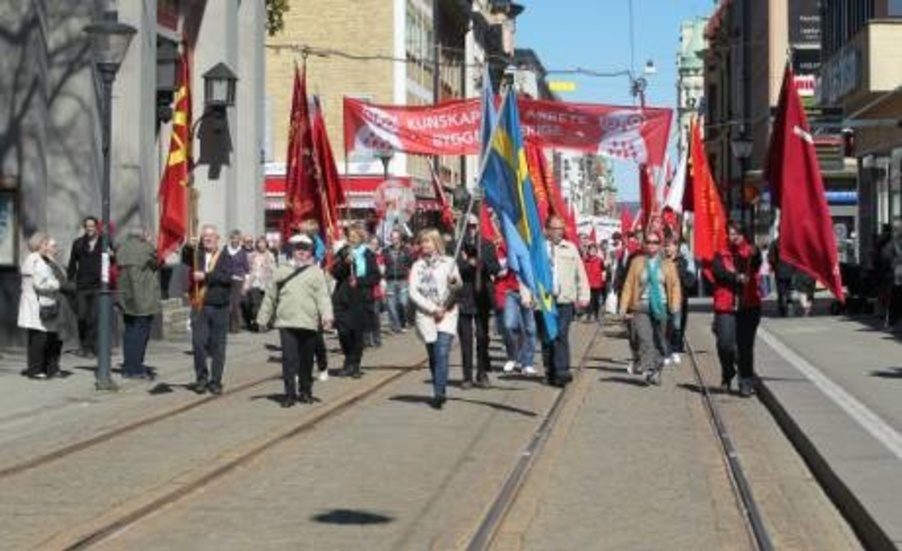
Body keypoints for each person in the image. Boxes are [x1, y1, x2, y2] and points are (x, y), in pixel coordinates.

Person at [257, 234, 334, 407]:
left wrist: (327, 316)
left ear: (309, 252)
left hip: (309, 322)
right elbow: (270, 296)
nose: (301, 252)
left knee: (306, 360)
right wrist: (263, 318)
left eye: (305, 249)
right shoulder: (281, 271)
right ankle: (289, 394)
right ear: (292, 250)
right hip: (286, 322)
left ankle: (305, 391)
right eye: (298, 249)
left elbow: (323, 297)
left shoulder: (316, 273)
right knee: (289, 360)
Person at [619, 231, 682, 385]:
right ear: (644, 244)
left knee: (660, 341)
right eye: (649, 242)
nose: (651, 245)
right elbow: (628, 285)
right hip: (641, 306)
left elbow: (675, 286)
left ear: (660, 244)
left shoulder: (668, 264)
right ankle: (648, 370)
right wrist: (623, 306)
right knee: (644, 338)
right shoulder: (637, 262)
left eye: (655, 242)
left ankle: (657, 369)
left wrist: (674, 305)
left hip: (662, 306)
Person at [409, 228, 462, 409]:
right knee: (433, 354)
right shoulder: (418, 266)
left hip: (447, 313)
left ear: (436, 242)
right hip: (426, 315)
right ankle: (438, 385)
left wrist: (454, 283)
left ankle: (439, 393)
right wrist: (432, 309)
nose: (425, 245)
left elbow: (457, 286)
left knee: (442, 352)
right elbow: (413, 292)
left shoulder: (449, 262)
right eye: (423, 241)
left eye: (428, 241)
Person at [712, 222, 763, 397]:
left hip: (749, 306)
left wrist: (751, 251)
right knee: (725, 344)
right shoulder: (720, 253)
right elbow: (718, 273)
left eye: (736, 234)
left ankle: (746, 381)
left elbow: (755, 263)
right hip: (726, 306)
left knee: (745, 346)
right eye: (730, 233)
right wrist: (736, 277)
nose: (733, 237)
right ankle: (728, 372)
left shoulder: (750, 252)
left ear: (744, 235)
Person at [539, 215, 590, 387]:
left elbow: (580, 273)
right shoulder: (539, 249)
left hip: (565, 299)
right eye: (555, 229)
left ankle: (562, 370)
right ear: (547, 230)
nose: (559, 232)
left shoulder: (570, 248)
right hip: (545, 301)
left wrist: (584, 296)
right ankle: (549, 369)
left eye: (561, 228)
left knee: (561, 333)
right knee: (547, 337)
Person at [184, 224, 235, 395]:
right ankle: (201, 379)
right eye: (204, 236)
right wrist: (187, 245)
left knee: (218, 347)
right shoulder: (196, 254)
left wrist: (206, 276)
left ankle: (215, 381)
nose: (207, 239)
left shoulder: (225, 255)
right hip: (200, 307)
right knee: (198, 344)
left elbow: (227, 277)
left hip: (219, 306)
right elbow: (185, 256)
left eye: (211, 236)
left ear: (217, 239)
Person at [456, 214, 500, 388]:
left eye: (473, 226)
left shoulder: (487, 245)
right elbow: (454, 268)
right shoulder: (457, 246)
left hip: (482, 297)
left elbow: (495, 268)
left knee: (482, 338)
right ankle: (467, 376)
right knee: (465, 339)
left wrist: (480, 262)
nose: (471, 229)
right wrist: (469, 264)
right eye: (467, 226)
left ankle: (482, 373)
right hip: (463, 297)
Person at [331, 226, 379, 378]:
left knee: (357, 334)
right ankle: (348, 359)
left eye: (355, 235)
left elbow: (375, 277)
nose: (351, 238)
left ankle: (355, 364)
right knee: (343, 332)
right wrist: (345, 264)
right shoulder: (343, 252)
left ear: (361, 237)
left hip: (361, 298)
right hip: (343, 298)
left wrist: (359, 281)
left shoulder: (368, 254)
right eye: (349, 236)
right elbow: (335, 273)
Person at [19, 234, 68, 379]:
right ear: (40, 245)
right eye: (46, 244)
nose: (49, 247)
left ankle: (47, 368)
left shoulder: (40, 260)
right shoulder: (34, 260)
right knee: (38, 339)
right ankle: (35, 370)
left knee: (47, 337)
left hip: (43, 303)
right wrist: (57, 284)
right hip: (36, 303)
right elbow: (40, 283)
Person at [115, 228, 161, 380]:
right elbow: (158, 263)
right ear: (142, 236)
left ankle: (128, 366)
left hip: (126, 297)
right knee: (140, 334)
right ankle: (136, 367)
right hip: (143, 297)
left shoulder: (121, 248)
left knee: (129, 333)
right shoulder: (146, 248)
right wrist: (149, 243)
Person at [67, 216, 103, 358]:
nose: (90, 229)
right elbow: (72, 263)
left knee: (94, 318)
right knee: (82, 316)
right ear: (84, 227)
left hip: (97, 285)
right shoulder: (78, 243)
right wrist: (70, 280)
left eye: (92, 226)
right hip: (82, 285)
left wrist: (112, 256)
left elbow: (112, 261)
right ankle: (83, 345)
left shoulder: (104, 242)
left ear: (97, 227)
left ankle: (91, 347)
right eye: (87, 226)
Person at [663, 234, 696, 364]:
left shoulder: (682, 261)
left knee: (676, 325)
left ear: (676, 247)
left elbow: (685, 279)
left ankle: (675, 350)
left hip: (678, 298)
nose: (667, 248)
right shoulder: (661, 261)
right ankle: (667, 351)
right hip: (663, 297)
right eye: (665, 246)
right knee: (665, 326)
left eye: (669, 246)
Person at [382, 228, 415, 334]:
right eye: (392, 237)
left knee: (403, 303)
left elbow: (411, 264)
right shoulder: (385, 251)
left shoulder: (406, 250)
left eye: (395, 237)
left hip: (403, 279)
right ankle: (396, 327)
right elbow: (382, 264)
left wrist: (411, 278)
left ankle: (402, 321)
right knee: (391, 305)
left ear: (400, 239)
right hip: (390, 280)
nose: (393, 239)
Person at [243, 236, 277, 332]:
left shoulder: (270, 255)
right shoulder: (251, 255)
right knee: (255, 303)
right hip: (254, 282)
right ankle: (258, 323)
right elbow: (248, 270)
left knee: (266, 304)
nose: (261, 245)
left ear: (266, 244)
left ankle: (265, 323)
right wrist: (246, 283)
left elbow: (274, 270)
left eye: (263, 243)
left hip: (267, 282)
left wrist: (274, 281)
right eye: (259, 243)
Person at [224, 230, 250, 333]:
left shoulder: (242, 252)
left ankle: (235, 327)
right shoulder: (225, 250)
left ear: (240, 240)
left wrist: (246, 284)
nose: (235, 241)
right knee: (226, 303)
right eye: (233, 238)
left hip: (238, 280)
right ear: (230, 239)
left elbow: (247, 269)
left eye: (237, 239)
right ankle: (225, 326)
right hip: (226, 279)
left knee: (235, 304)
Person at [364, 235, 385, 348]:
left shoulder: (379, 257)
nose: (374, 246)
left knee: (375, 316)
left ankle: (377, 339)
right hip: (364, 290)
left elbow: (381, 273)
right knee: (365, 316)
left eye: (376, 244)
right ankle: (367, 340)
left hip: (376, 290)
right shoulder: (362, 256)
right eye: (372, 243)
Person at [768, 238, 796, 317]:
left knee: (781, 291)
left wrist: (774, 267)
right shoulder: (790, 242)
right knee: (789, 290)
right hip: (790, 270)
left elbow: (771, 258)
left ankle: (783, 307)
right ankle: (789, 305)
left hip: (779, 270)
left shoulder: (775, 242)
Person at [582, 242, 605, 323]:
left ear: (596, 251)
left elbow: (603, 271)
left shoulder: (600, 260)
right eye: (591, 249)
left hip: (598, 284)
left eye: (594, 250)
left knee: (597, 300)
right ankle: (589, 315)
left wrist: (603, 281)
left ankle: (597, 315)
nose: (592, 251)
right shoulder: (585, 260)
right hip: (588, 284)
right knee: (589, 300)